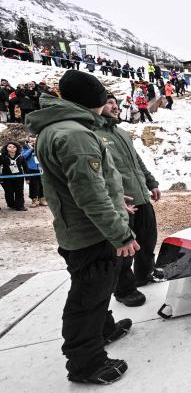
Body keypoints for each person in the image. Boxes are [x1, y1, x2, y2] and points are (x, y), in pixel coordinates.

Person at [25, 70, 139, 384]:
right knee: (88, 296)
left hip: (82, 227)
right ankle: (86, 363)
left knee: (97, 288)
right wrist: (120, 232)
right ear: (95, 100)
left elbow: (85, 186)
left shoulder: (61, 128)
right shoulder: (75, 134)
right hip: (91, 234)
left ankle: (104, 329)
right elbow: (88, 194)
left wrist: (117, 200)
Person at [96, 95, 161, 300]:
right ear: (98, 105)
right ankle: (124, 290)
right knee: (124, 249)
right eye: (109, 103)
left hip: (141, 196)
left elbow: (137, 161)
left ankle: (144, 275)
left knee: (148, 241)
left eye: (116, 103)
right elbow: (97, 174)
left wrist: (151, 183)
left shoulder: (121, 132)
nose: (115, 107)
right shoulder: (92, 134)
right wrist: (112, 198)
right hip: (121, 201)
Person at [0, 141, 28, 210]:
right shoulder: (2, 157)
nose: (12, 148)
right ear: (6, 148)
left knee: (19, 191)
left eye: (14, 147)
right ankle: (11, 204)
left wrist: (28, 178)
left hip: (19, 177)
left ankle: (20, 206)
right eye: (10, 147)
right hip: (6, 177)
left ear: (17, 148)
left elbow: (25, 167)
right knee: (9, 192)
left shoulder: (21, 156)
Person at [22, 136, 46, 207]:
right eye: (32, 141)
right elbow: (23, 157)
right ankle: (34, 200)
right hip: (31, 170)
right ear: (28, 142)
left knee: (42, 185)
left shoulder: (41, 147)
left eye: (35, 141)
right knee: (33, 186)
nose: (34, 143)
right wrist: (31, 149)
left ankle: (42, 199)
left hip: (41, 169)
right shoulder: (24, 148)